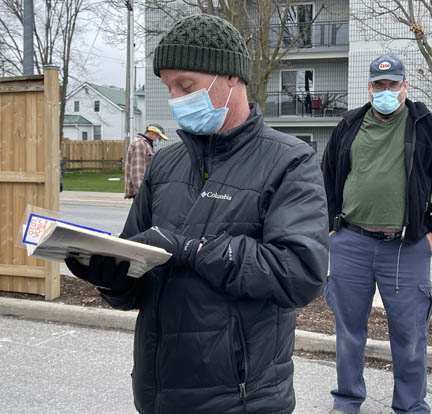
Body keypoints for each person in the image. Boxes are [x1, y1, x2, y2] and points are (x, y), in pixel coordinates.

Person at [65, 14, 329, 414]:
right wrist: (112, 279)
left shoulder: (290, 161)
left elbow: (300, 274)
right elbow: (138, 275)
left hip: (241, 397)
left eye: (185, 85)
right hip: (158, 391)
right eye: (168, 87)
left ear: (231, 79)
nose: (175, 98)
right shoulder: (164, 164)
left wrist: (192, 249)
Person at [322, 54, 432, 414]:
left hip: (406, 245)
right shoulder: (349, 124)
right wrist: (331, 228)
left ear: (404, 87)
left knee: (410, 334)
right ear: (369, 87)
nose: (386, 91)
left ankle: (410, 405)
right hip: (351, 241)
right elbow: (330, 175)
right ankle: (348, 400)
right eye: (379, 85)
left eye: (392, 85)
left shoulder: (427, 126)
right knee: (348, 333)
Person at [124, 123, 169, 198]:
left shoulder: (146, 145)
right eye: (158, 137)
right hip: (141, 193)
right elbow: (137, 171)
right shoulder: (140, 144)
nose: (158, 140)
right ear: (152, 133)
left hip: (145, 190)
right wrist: (142, 194)